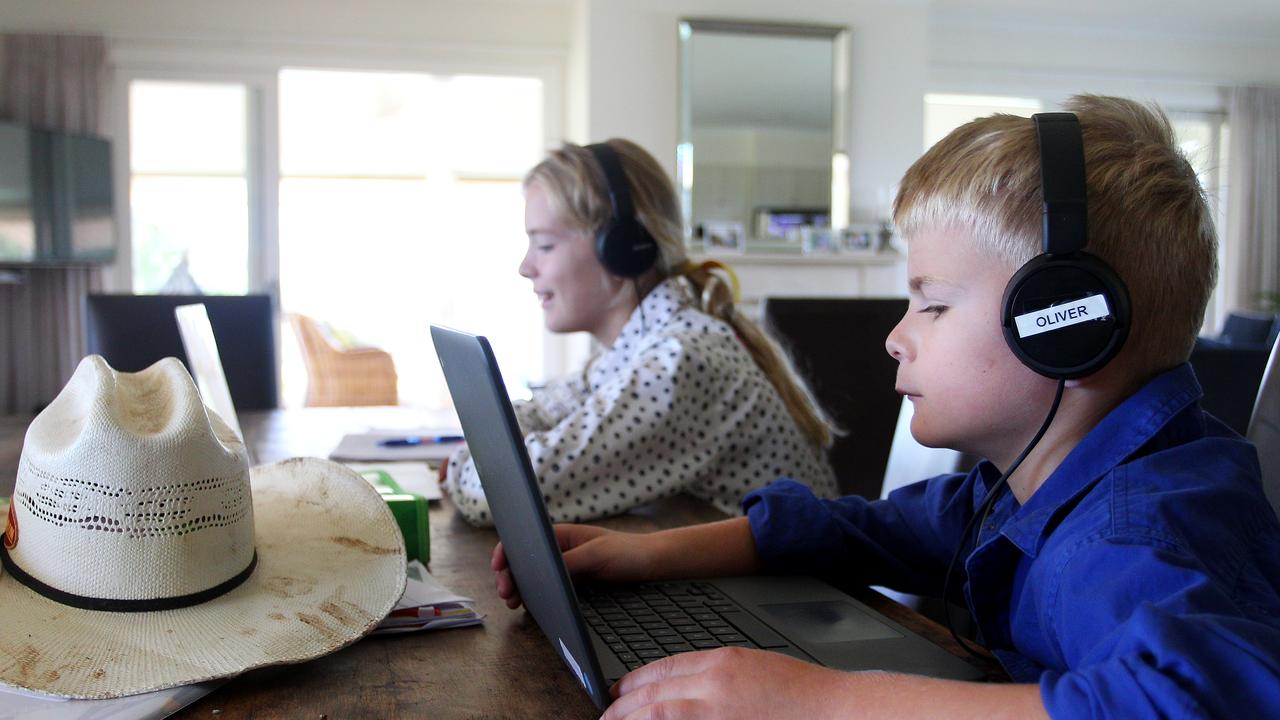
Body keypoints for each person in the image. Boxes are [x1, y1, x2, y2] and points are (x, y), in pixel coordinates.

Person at [491, 96, 1280, 717]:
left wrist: (821, 703)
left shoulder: (1140, 529)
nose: (896, 338)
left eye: (932, 306)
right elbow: (877, 528)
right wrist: (646, 555)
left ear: (1067, 323)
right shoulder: (1035, 482)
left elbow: (1194, 705)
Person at [442, 139, 837, 525]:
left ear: (621, 247)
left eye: (544, 245)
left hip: (792, 589)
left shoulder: (680, 363)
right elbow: (538, 413)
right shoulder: (632, 351)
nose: (526, 267)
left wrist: (473, 459)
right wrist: (492, 447)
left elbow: (500, 494)